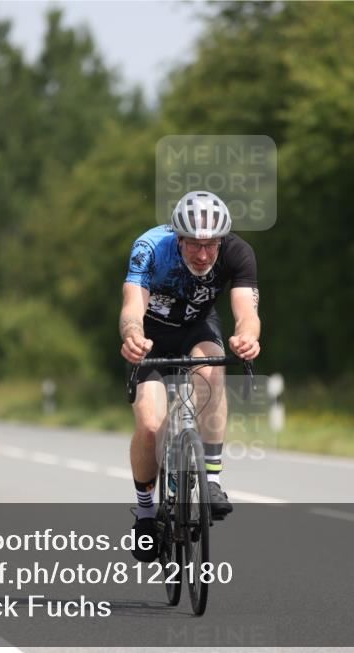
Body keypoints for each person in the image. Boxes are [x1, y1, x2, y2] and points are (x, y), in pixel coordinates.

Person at [119, 190, 261, 562]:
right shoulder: (150, 247)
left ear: (221, 241)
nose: (202, 254)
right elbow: (133, 305)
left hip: (197, 329)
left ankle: (211, 481)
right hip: (150, 336)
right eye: (194, 245)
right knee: (150, 426)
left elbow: (246, 310)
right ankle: (147, 513)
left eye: (210, 245)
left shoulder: (237, 252)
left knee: (213, 367)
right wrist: (133, 336)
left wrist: (247, 337)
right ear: (178, 237)